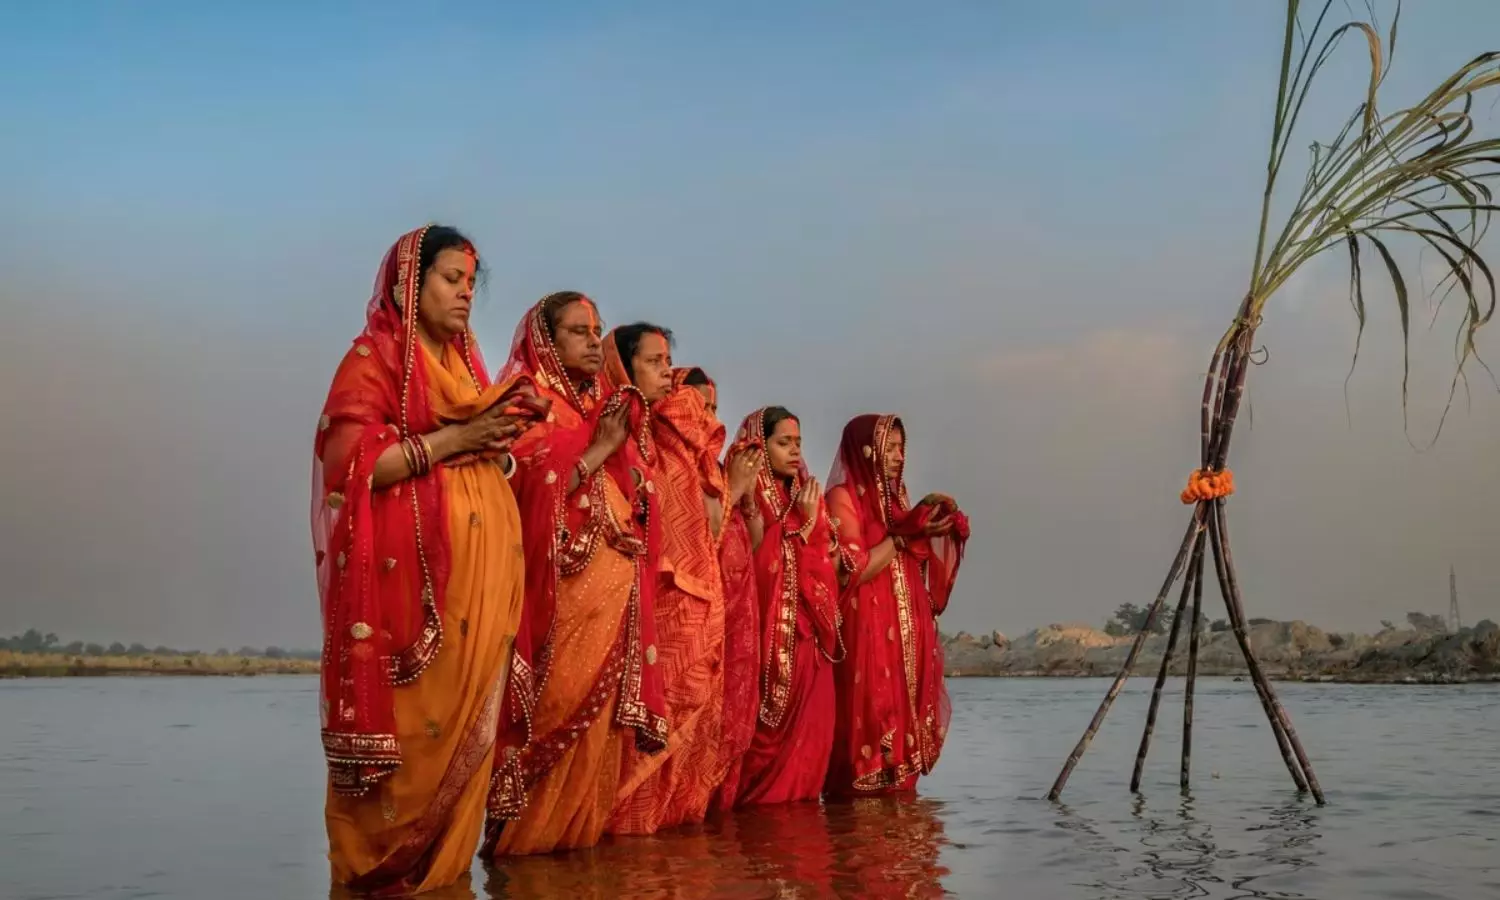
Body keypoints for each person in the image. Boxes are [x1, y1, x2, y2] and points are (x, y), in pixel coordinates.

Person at [314, 225, 535, 895]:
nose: (465, 294)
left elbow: (487, 453)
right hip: (416, 601)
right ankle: (378, 879)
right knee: (415, 750)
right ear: (411, 285)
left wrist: (495, 447)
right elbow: (350, 467)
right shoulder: (373, 359)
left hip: (479, 598)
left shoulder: (469, 368)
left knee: (464, 752)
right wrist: (459, 440)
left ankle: (446, 883)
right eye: (450, 280)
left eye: (471, 284)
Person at [483, 294, 669, 858]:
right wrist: (597, 450)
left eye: (597, 331)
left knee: (599, 738)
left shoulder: (606, 407)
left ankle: (574, 866)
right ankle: (523, 857)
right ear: (547, 340)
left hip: (613, 604)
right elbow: (515, 494)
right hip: (560, 601)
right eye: (578, 331)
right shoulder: (529, 407)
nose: (593, 341)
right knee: (554, 719)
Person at [602, 333, 730, 834]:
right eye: (653, 362)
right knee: (641, 728)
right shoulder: (618, 433)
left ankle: (666, 843)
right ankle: (625, 833)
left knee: (686, 717)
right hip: (639, 602)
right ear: (625, 368)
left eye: (667, 362)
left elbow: (702, 525)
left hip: (687, 604)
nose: (663, 372)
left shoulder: (670, 442)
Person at [823, 414, 969, 798]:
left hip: (903, 634)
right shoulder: (842, 498)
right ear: (864, 449)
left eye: (901, 448)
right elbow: (851, 570)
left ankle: (899, 840)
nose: (897, 457)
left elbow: (911, 549)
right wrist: (902, 539)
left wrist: (931, 517)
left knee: (903, 738)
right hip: (866, 631)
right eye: (889, 448)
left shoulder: (895, 500)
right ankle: (860, 837)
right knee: (869, 724)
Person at [726, 406, 841, 806]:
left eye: (798, 443)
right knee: (765, 747)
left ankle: (803, 852)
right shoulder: (748, 495)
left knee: (811, 748)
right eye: (783, 442)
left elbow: (827, 568)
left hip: (811, 644)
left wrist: (814, 526)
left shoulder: (804, 495)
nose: (794, 451)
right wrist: (803, 526)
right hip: (767, 638)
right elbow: (752, 560)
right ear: (761, 445)